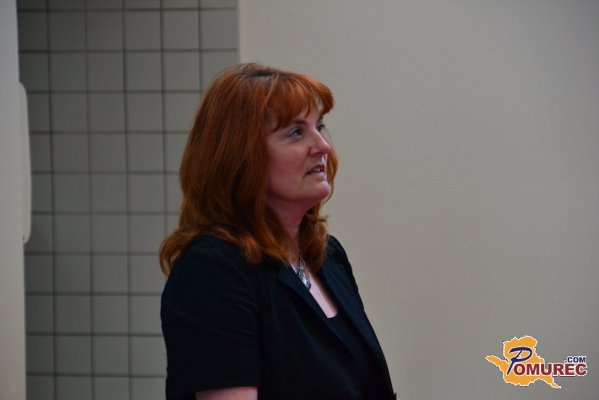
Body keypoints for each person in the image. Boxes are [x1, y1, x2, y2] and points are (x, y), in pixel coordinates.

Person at [160, 63, 395, 400]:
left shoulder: (326, 256)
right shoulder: (214, 270)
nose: (322, 146)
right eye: (296, 132)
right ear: (242, 156)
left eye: (319, 127)